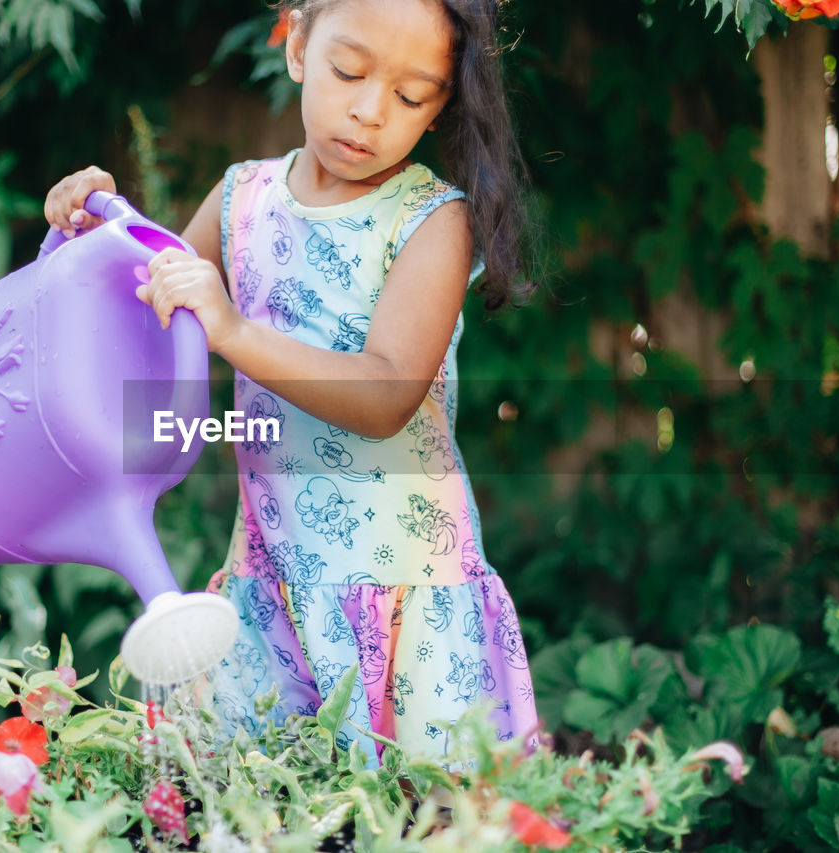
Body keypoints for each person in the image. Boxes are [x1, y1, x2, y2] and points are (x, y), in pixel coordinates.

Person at [44, 0, 539, 766]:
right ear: (300, 46)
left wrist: (236, 333)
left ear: (441, 105)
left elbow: (385, 393)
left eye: (411, 96)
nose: (370, 110)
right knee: (266, 810)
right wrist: (95, 233)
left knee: (423, 817)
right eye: (349, 70)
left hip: (404, 595)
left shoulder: (432, 221)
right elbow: (149, 314)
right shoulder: (244, 200)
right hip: (270, 586)